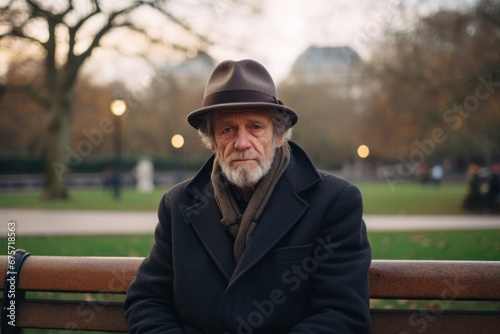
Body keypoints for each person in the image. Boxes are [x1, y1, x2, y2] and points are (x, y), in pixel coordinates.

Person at [124, 59, 372, 333]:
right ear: (213, 141)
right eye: (228, 129)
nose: (242, 143)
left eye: (255, 126)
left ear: (278, 135)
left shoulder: (334, 201)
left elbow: (341, 314)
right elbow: (147, 300)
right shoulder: (178, 204)